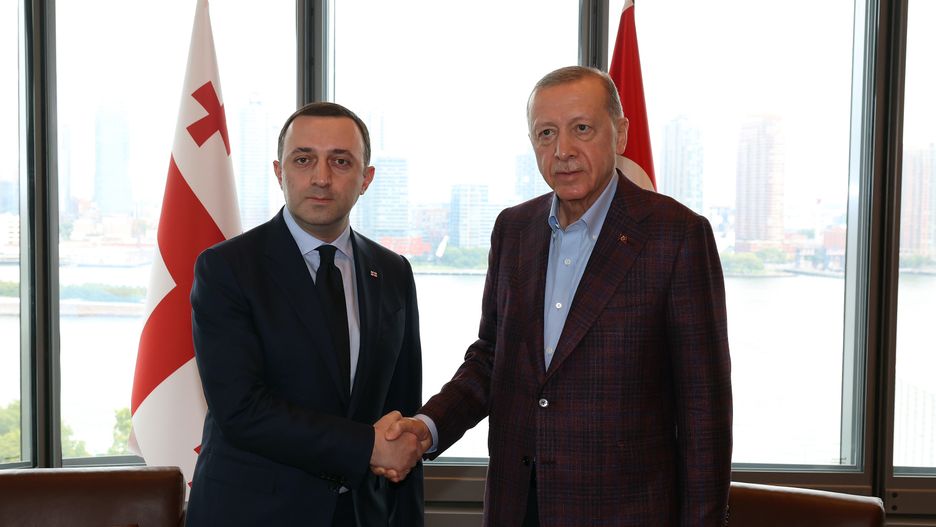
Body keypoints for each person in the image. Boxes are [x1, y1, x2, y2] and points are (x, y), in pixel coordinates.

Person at [381, 66, 733, 525]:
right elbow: (491, 359)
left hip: (625, 513)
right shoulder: (513, 229)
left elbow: (704, 405)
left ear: (620, 133)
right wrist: (427, 428)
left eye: (581, 129)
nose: (563, 150)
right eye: (546, 134)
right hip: (517, 507)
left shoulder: (677, 235)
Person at [186, 102, 425, 526]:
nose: (321, 177)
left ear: (366, 179)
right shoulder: (226, 269)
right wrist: (366, 446)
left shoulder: (392, 272)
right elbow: (241, 410)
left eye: (340, 161)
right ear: (280, 172)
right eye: (303, 159)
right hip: (252, 514)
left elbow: (400, 412)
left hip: (360, 515)